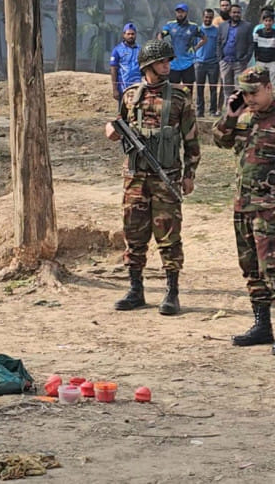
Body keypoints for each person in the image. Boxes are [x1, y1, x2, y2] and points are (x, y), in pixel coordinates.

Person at [211, 66, 275, 357]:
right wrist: (231, 115)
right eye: (245, 93)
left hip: (272, 208)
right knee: (251, 267)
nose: (250, 98)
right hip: (243, 204)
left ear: (269, 87)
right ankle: (262, 324)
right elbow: (219, 139)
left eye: (254, 93)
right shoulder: (243, 115)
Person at [104, 40, 200, 315]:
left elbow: (191, 139)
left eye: (168, 61)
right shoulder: (131, 95)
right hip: (135, 178)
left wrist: (190, 174)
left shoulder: (180, 97)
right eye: (161, 62)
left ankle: (172, 291)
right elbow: (116, 124)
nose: (167, 66)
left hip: (165, 176)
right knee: (134, 233)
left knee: (169, 236)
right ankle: (136, 289)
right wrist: (111, 131)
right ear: (147, 66)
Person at [159, 4, 206, 89]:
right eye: (178, 12)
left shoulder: (193, 26)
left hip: (188, 62)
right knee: (173, 89)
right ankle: (174, 102)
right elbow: (160, 35)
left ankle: (189, 102)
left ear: (186, 13)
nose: (180, 14)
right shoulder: (170, 25)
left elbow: (204, 38)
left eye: (182, 12)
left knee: (188, 89)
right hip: (174, 63)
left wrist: (195, 48)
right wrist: (163, 46)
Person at [218, 4, 253, 99]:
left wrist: (246, 59)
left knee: (239, 88)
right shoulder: (222, 26)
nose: (236, 14)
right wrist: (220, 58)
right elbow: (219, 42)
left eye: (238, 12)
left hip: (240, 62)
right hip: (225, 62)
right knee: (227, 88)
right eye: (234, 12)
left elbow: (250, 44)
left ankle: (238, 110)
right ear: (229, 13)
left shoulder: (247, 26)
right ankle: (228, 111)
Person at [195, 10, 220, 117]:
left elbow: (219, 45)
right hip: (199, 63)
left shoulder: (217, 31)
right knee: (199, 88)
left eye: (210, 17)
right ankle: (200, 111)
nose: (208, 19)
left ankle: (212, 111)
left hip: (213, 63)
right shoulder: (197, 31)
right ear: (202, 17)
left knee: (213, 89)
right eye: (206, 17)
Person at [110, 23, 141, 102]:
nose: (131, 36)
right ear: (124, 35)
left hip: (138, 86)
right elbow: (113, 69)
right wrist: (115, 89)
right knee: (122, 112)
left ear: (136, 35)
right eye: (128, 34)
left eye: (133, 34)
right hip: (123, 87)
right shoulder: (117, 50)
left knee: (138, 110)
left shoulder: (141, 50)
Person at [253, 12, 275, 87]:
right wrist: (257, 59)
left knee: (274, 84)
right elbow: (255, 46)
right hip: (260, 61)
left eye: (270, 21)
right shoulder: (258, 32)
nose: (268, 23)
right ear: (263, 22)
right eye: (266, 21)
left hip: (273, 62)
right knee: (259, 83)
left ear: (273, 22)